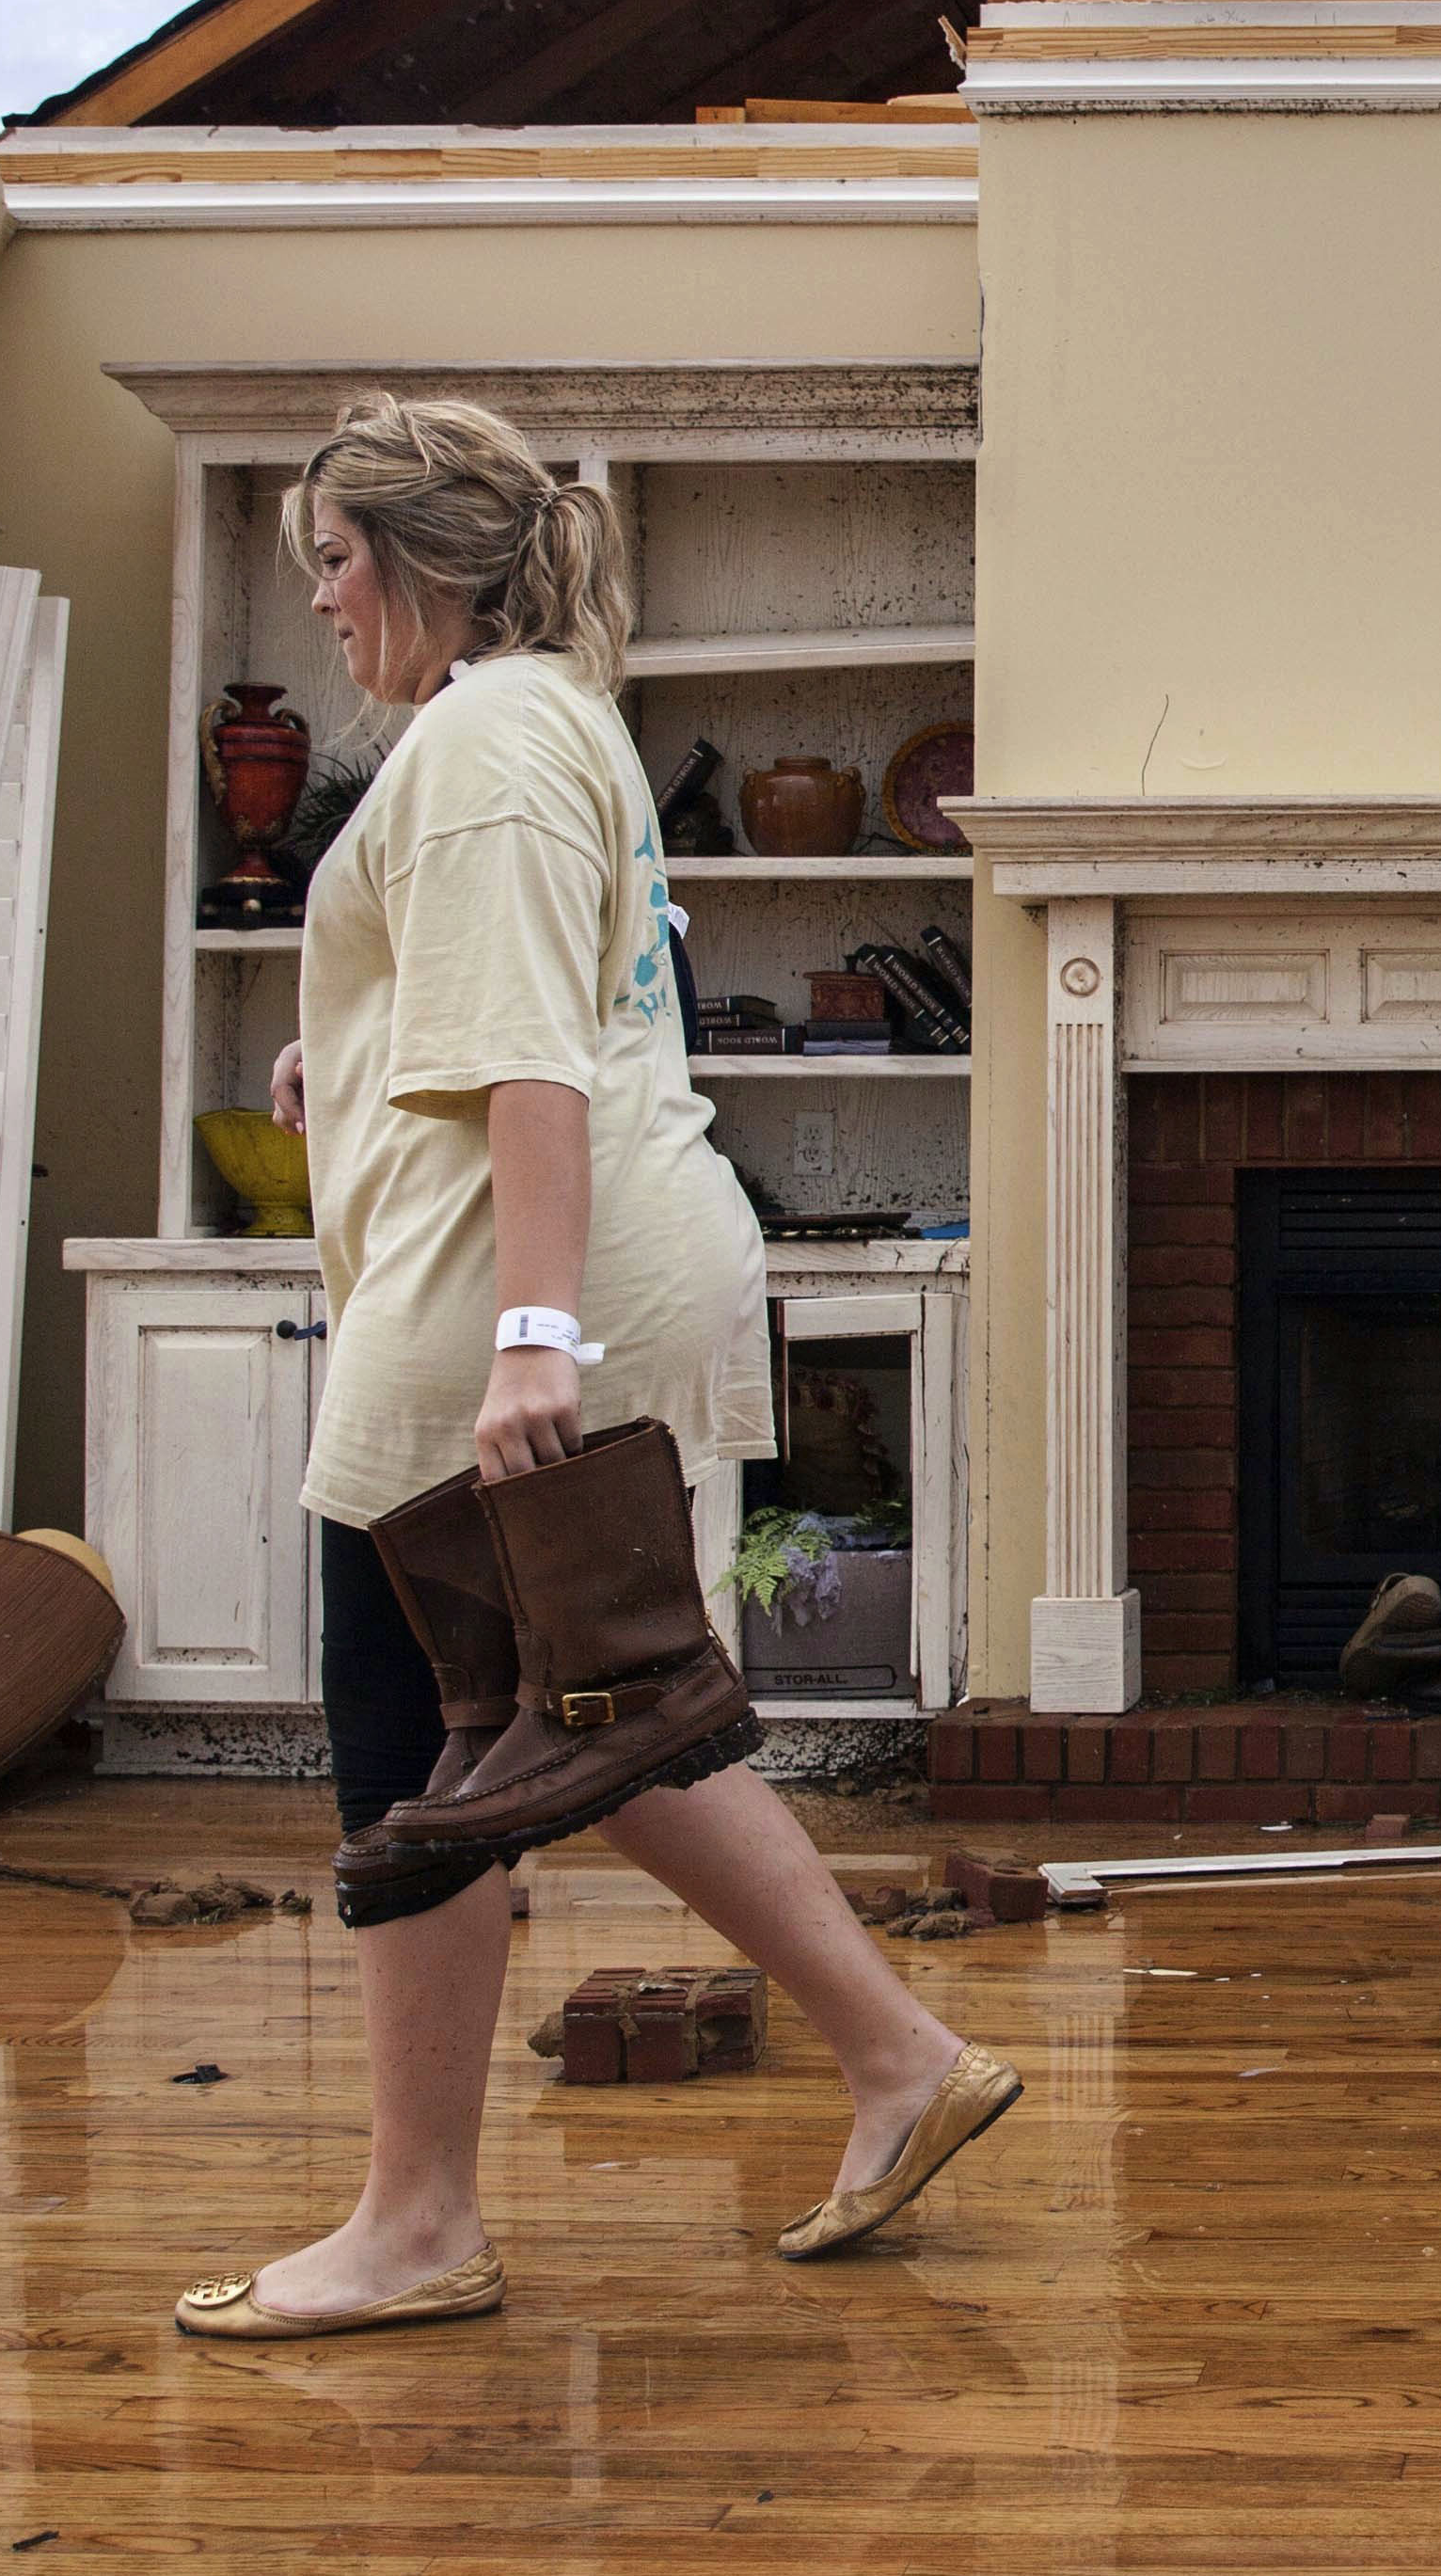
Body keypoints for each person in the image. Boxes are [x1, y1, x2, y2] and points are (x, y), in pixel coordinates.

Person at [175, 395, 1014, 2340]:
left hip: (503, 1283)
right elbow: (548, 991)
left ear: (408, 559)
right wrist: (350, 1052)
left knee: (418, 1736)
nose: (317, 603)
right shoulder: (548, 717)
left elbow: (539, 1055)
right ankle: (901, 2059)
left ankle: (414, 2226)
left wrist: (533, 1337)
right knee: (577, 1701)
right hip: (568, 1250)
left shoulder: (474, 743)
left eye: (328, 558)